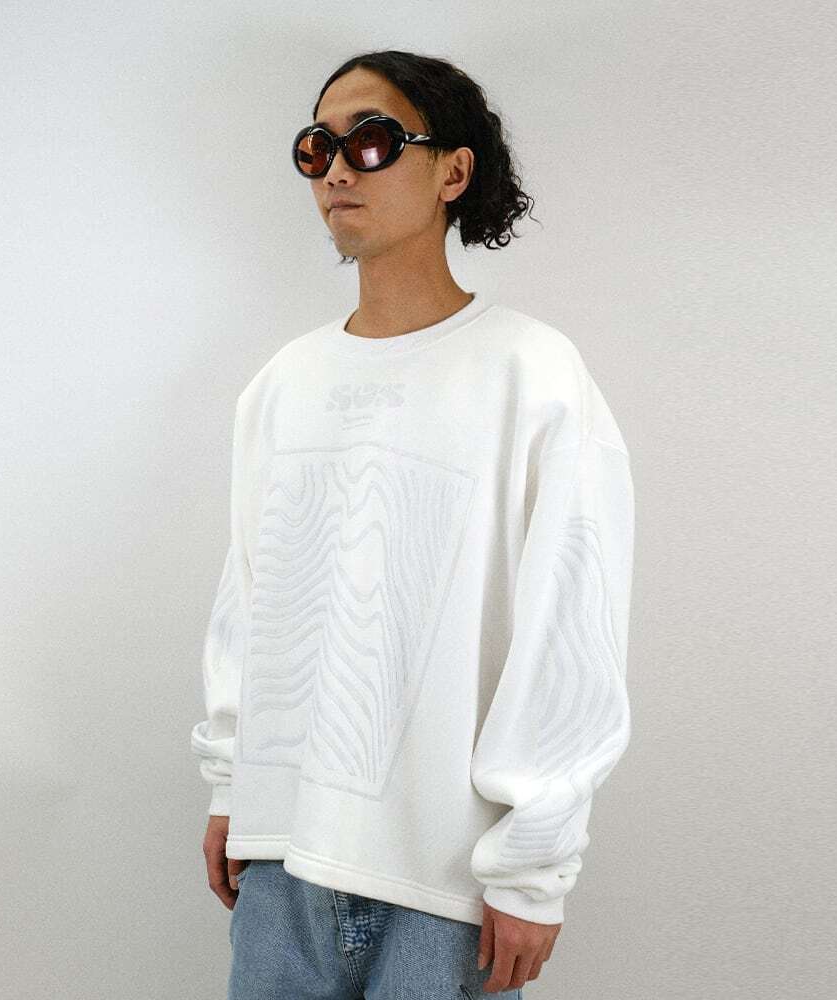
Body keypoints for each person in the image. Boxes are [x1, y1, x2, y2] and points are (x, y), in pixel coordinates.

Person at [190, 49, 636, 1000]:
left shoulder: (532, 374)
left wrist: (533, 866)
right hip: (281, 863)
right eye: (317, 148)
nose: (337, 169)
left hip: (443, 884)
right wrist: (234, 785)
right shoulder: (285, 383)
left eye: (372, 139)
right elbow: (251, 601)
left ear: (453, 171)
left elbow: (571, 627)